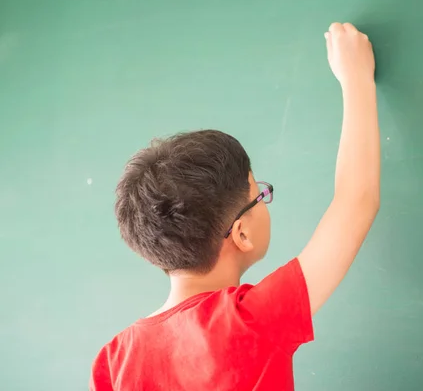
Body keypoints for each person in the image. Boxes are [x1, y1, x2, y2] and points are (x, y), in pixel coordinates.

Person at [90, 22, 380, 391]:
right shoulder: (250, 320)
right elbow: (357, 202)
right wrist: (355, 78)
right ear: (240, 232)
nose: (264, 200)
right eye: (259, 195)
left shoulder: (112, 360)